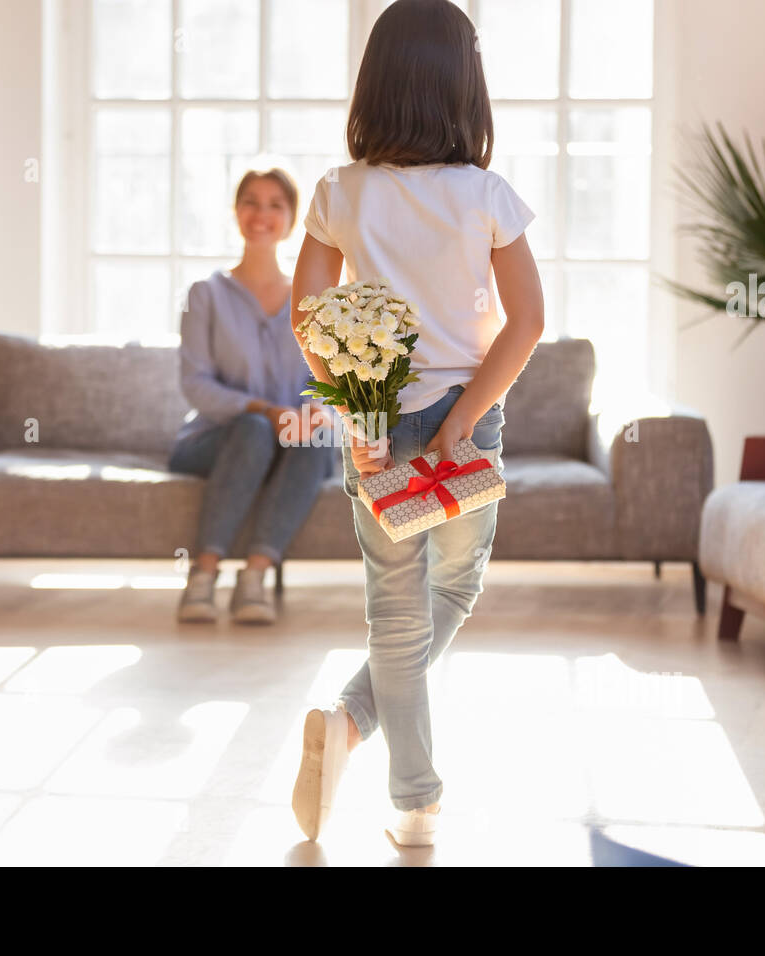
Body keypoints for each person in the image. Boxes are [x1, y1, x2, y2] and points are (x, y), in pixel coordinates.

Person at [287, 0, 544, 846]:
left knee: (394, 613)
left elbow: (308, 320)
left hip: (375, 423)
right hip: (466, 426)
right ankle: (382, 755)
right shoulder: (487, 195)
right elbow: (527, 322)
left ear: (379, 84)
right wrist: (463, 423)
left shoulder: (338, 191)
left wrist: (360, 409)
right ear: (464, 90)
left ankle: (406, 793)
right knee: (455, 587)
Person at [168, 167, 338, 625]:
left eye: (275, 205)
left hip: (290, 442)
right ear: (236, 211)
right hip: (216, 439)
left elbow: (325, 382)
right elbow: (196, 384)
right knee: (253, 428)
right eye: (251, 202)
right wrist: (265, 410)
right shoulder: (205, 294)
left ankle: (255, 577)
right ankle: (203, 574)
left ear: (291, 218)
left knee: (314, 440)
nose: (261, 214)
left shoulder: (310, 299)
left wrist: (314, 414)